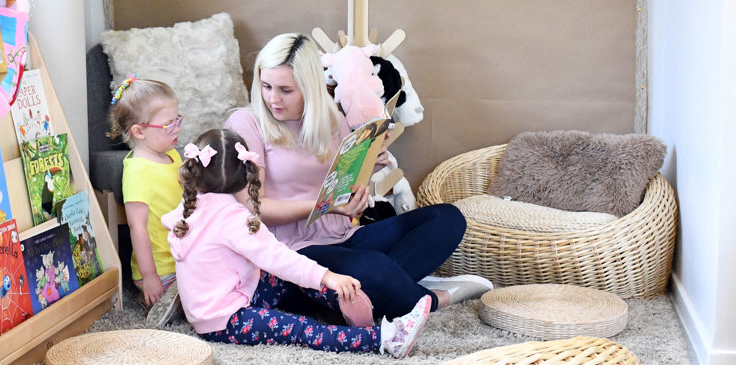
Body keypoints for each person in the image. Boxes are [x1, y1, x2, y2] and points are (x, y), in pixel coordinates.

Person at [227, 33, 489, 320]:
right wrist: (322, 206)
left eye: (286, 90)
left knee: (447, 219)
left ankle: (380, 290)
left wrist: (368, 167)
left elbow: (340, 183)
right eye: (266, 86)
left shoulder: (331, 119)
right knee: (373, 267)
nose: (273, 99)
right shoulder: (246, 123)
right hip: (292, 251)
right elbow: (255, 208)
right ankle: (429, 298)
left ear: (310, 87)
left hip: (344, 234)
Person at [165, 129, 430, 357]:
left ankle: (344, 303)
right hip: (225, 319)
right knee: (301, 328)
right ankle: (385, 339)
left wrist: (325, 279)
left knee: (284, 278)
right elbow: (278, 257)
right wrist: (328, 277)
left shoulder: (189, 207)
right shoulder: (232, 218)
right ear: (247, 174)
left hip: (223, 298)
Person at [105, 77, 186, 308]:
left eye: (177, 120)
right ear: (139, 132)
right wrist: (150, 277)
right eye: (169, 124)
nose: (177, 129)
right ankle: (165, 302)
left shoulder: (173, 155)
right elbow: (137, 228)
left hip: (184, 256)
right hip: (161, 269)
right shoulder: (138, 171)